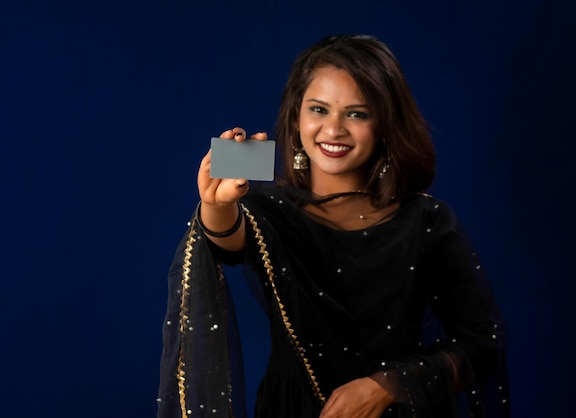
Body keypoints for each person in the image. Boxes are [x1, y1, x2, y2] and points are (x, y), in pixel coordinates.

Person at [157, 34, 510, 418]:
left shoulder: (427, 220)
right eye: (319, 110)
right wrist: (215, 204)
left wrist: (386, 386)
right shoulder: (270, 210)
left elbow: (482, 347)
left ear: (384, 125)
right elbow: (228, 239)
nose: (334, 128)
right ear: (296, 116)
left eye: (356, 113)